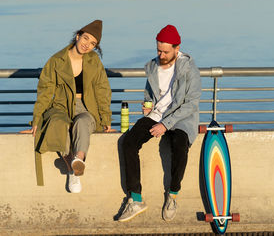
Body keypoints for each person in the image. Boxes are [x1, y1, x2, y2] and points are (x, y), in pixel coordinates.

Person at [117, 24, 201, 222]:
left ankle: (173, 194)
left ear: (176, 49)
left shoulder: (189, 70)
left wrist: (166, 124)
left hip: (180, 118)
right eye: (158, 50)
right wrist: (149, 105)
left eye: (165, 51)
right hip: (157, 114)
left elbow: (191, 103)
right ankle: (135, 199)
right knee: (128, 142)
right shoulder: (153, 66)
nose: (161, 55)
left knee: (180, 145)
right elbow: (150, 92)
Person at [22, 20, 114, 193]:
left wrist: (106, 118)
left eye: (93, 43)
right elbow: (45, 91)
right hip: (60, 106)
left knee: (83, 122)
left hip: (87, 107)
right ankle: (73, 172)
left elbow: (102, 90)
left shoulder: (94, 61)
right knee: (58, 124)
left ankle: (78, 160)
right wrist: (37, 119)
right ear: (78, 36)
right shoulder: (57, 60)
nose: (87, 45)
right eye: (86, 39)